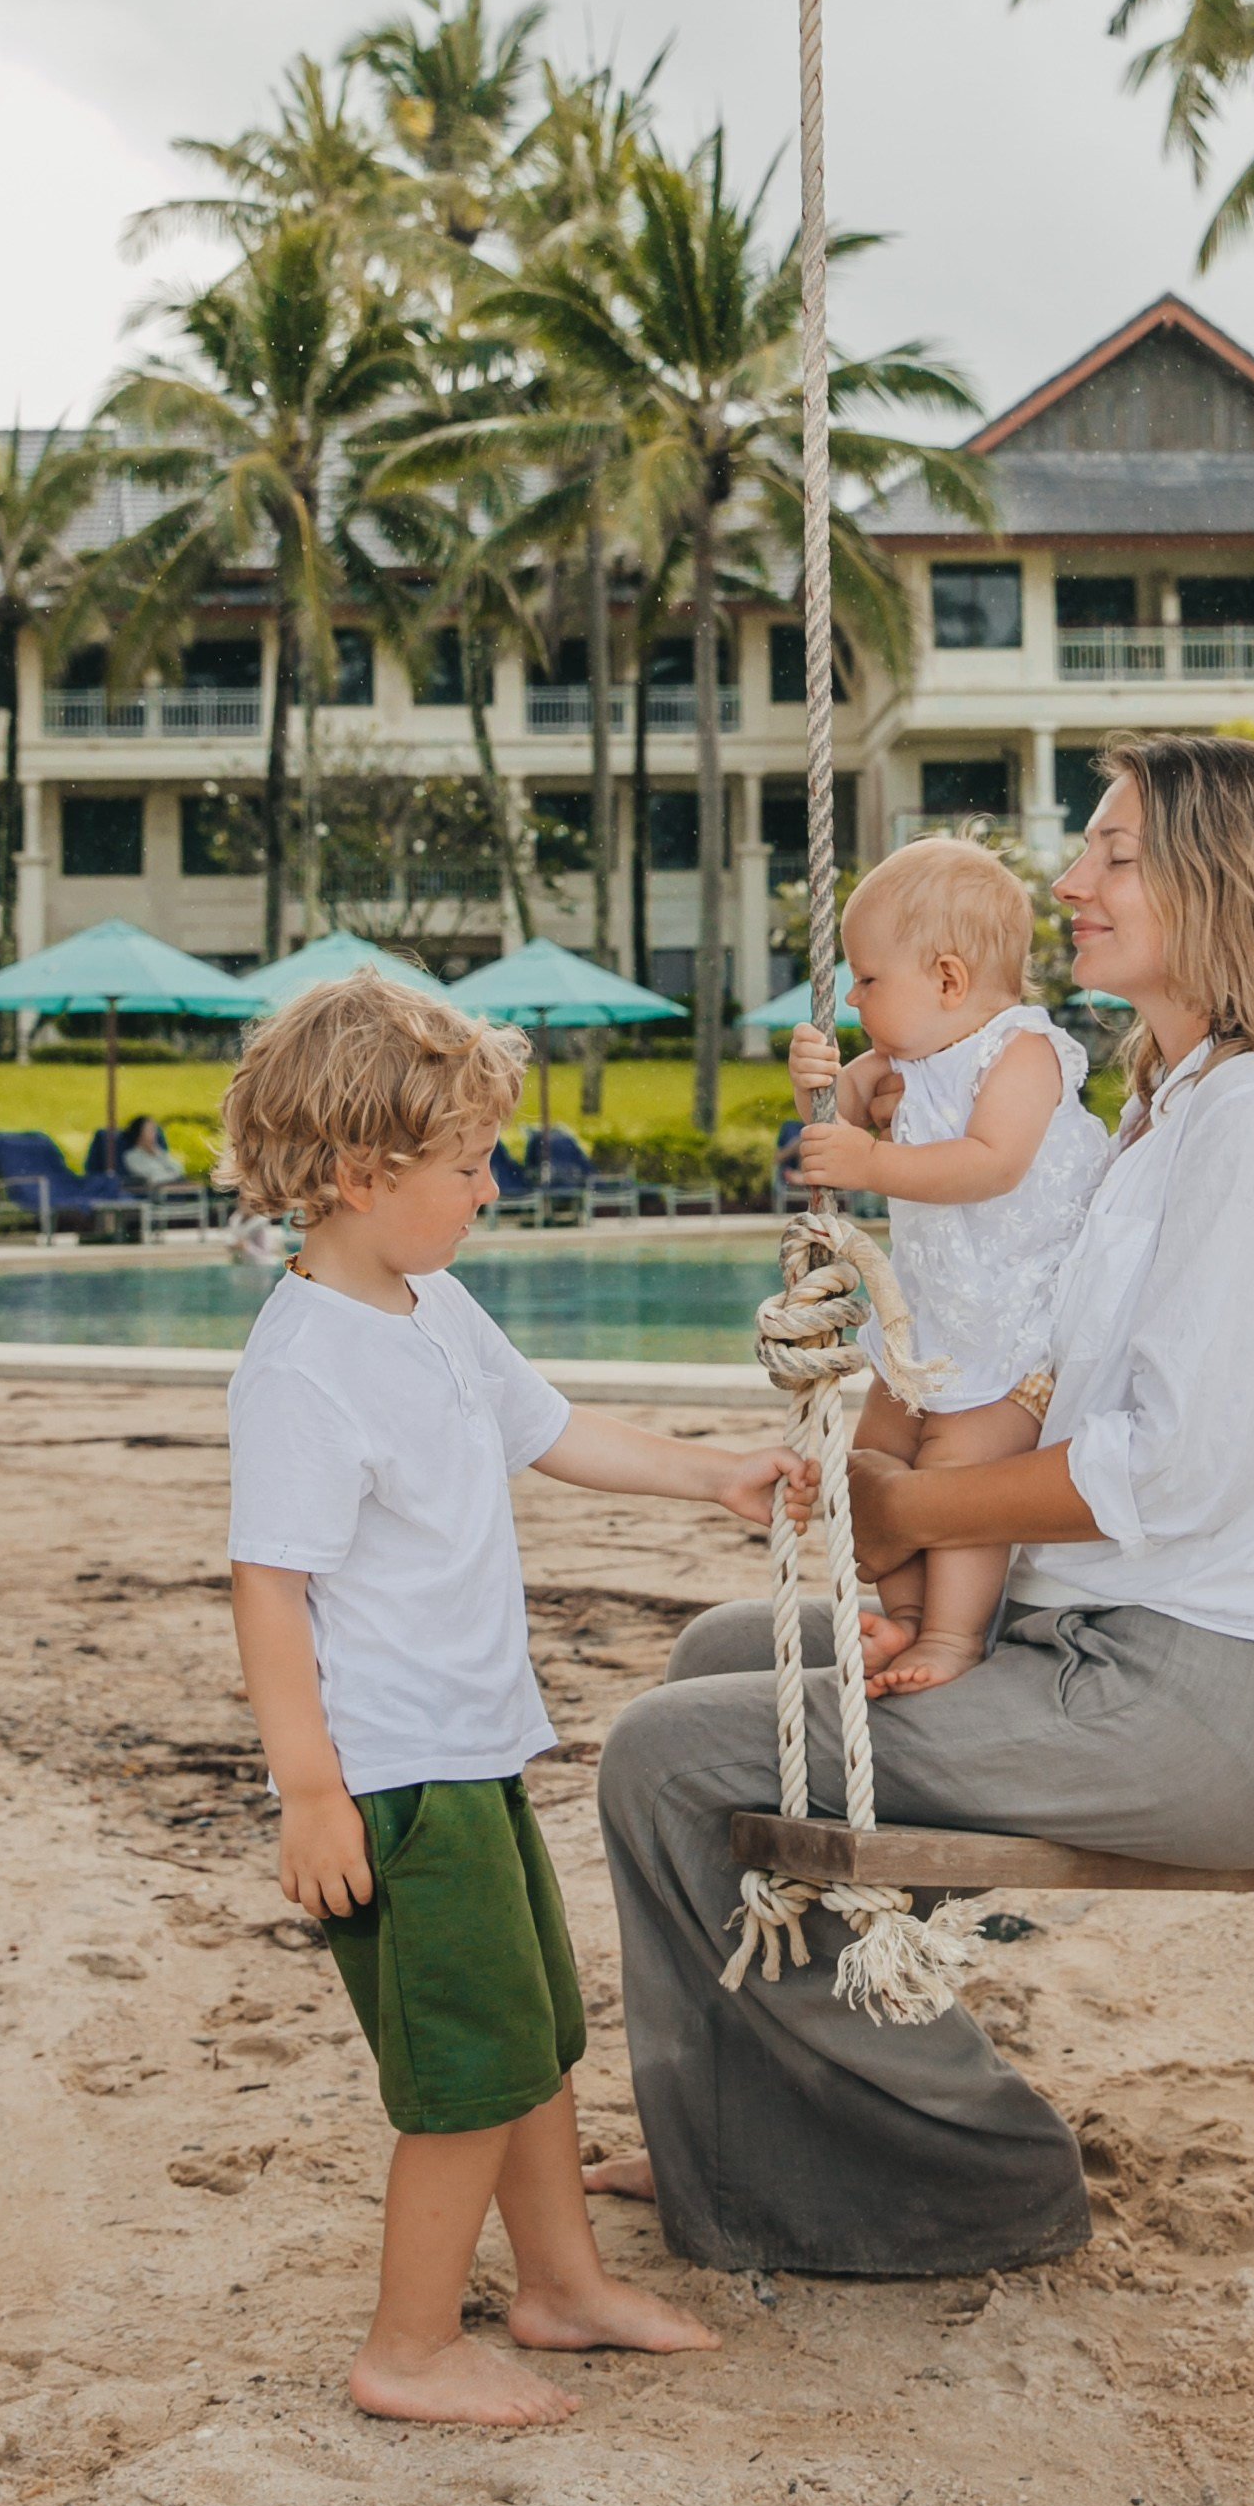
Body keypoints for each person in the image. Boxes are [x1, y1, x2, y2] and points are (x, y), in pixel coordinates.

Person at [591, 732, 1254, 2278]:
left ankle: (970, 2170)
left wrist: (913, 1516)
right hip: (1123, 1649)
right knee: (723, 1661)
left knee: (667, 1759)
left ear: (1221, 885)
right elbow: (1030, 1327)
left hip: (1216, 1698)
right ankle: (757, 2127)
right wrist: (881, 1113)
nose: (1070, 881)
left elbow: (1165, 1467)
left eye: (1112, 856)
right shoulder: (1172, 1112)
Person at [221, 971, 816, 2424]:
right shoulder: (302, 1368)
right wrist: (309, 1788)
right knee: (467, 2074)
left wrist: (710, 1475)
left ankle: (556, 2286)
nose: (492, 1187)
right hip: (392, 1783)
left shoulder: (430, 1303)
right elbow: (267, 1587)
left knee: (531, 2032)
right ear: (362, 1174)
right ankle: (407, 2348)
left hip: (473, 1751)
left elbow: (545, 1428)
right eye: (468, 1164)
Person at [787, 836, 1107, 1691]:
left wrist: (870, 1164)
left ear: (948, 981)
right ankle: (905, 1621)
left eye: (866, 980)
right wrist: (813, 1079)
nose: (851, 999)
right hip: (924, 1321)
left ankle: (955, 1636)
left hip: (1008, 1326)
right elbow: (835, 1111)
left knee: (958, 1479)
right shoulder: (900, 1058)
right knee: (869, 1469)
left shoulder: (1021, 1053)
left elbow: (992, 1161)